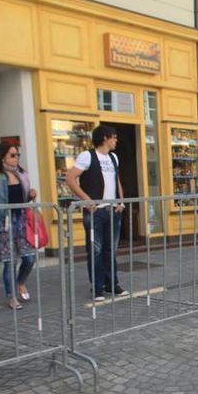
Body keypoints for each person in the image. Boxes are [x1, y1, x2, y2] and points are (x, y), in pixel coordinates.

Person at [65, 125, 127, 302]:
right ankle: (97, 287)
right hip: (96, 212)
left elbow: (116, 180)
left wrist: (121, 201)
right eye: (114, 137)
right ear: (105, 138)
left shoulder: (113, 157)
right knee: (96, 250)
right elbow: (70, 178)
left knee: (111, 249)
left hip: (112, 210)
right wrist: (87, 199)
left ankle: (112, 283)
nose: (116, 140)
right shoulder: (87, 156)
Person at [0, 143, 37, 310]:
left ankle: (20, 282)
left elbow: (21, 199)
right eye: (12, 155)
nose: (16, 158)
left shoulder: (21, 174)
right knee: (9, 262)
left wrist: (30, 195)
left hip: (21, 220)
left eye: (17, 155)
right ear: (2, 157)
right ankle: (11, 296)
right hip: (3, 223)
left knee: (30, 257)